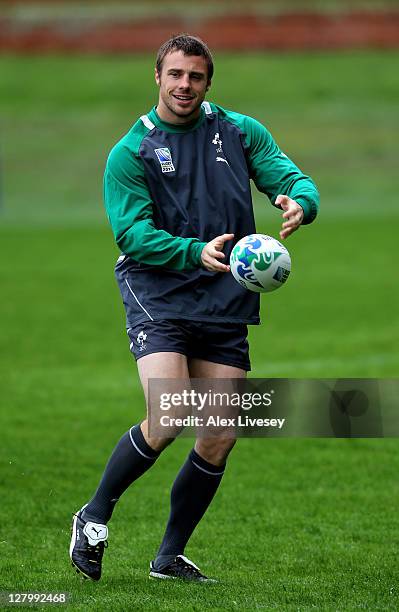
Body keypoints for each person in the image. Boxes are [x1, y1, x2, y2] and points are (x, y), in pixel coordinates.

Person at [69, 34, 319, 583]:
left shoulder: (239, 131)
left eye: (197, 77)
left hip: (224, 295)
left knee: (219, 432)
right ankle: (93, 517)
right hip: (159, 290)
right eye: (176, 74)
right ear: (157, 76)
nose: (185, 85)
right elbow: (132, 234)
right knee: (170, 413)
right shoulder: (129, 152)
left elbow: (287, 174)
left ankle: (168, 557)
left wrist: (301, 199)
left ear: (209, 82)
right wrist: (191, 252)